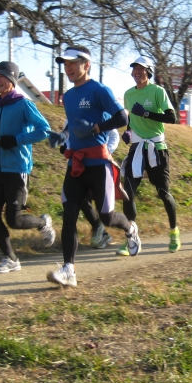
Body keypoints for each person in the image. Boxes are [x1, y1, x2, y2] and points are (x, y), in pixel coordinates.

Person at [47, 45, 141, 288]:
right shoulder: (68, 96)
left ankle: (130, 227)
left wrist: (97, 128)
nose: (67, 68)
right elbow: (72, 124)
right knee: (69, 215)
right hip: (76, 163)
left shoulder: (98, 90)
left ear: (86, 65)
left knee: (107, 217)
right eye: (65, 64)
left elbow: (122, 118)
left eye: (72, 63)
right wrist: (62, 135)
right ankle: (69, 269)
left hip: (98, 163)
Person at [0, 61, 55, 273]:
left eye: (2, 76)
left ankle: (42, 223)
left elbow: (44, 130)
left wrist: (17, 139)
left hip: (17, 170)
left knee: (14, 219)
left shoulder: (24, 104)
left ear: (12, 80)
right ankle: (10, 259)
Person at [118, 56, 180, 255]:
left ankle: (174, 232)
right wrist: (128, 131)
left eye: (141, 69)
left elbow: (172, 117)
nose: (137, 72)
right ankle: (131, 237)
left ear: (149, 72)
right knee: (127, 193)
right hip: (137, 148)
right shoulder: (128, 94)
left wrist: (146, 114)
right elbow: (131, 119)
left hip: (156, 147)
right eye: (134, 69)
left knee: (163, 192)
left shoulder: (157, 91)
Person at [50, 122, 120, 248]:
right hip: (78, 163)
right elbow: (70, 135)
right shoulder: (72, 111)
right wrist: (65, 146)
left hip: (98, 164)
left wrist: (105, 152)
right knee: (77, 198)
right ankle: (98, 230)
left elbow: (114, 135)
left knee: (103, 210)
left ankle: (125, 229)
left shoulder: (97, 109)